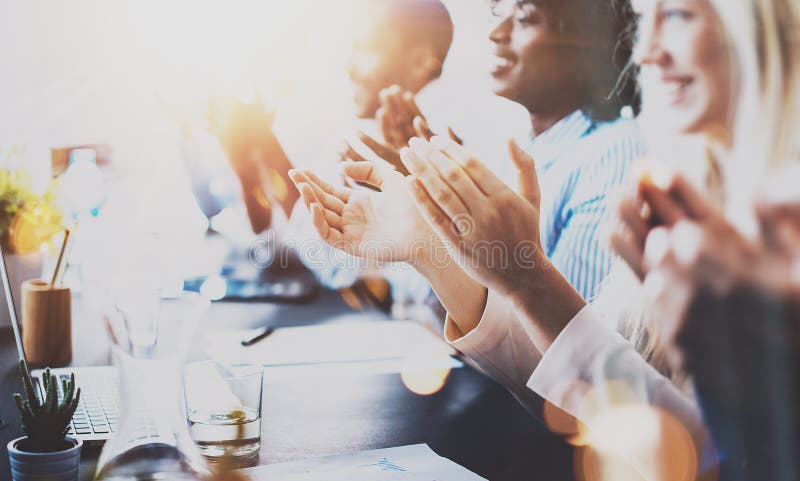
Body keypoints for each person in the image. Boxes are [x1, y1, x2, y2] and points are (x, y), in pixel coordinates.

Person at [292, 0, 800, 478]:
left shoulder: (630, 163)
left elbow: (714, 459)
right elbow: (587, 395)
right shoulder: (692, 183)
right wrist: (430, 247)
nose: (647, 51)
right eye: (647, 20)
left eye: (682, 15)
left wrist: (526, 275)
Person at [192, 0, 454, 313]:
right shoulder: (365, 131)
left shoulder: (444, 140)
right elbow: (281, 246)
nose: (348, 66)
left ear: (420, 61)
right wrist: (250, 161)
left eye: (367, 48)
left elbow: (334, 265)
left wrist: (268, 150)